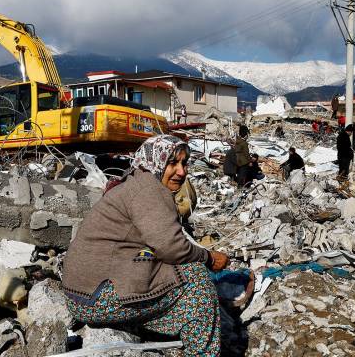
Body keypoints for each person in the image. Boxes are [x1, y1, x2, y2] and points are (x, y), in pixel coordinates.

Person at [61, 135, 229, 357]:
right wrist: (208, 258)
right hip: (95, 298)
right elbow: (171, 248)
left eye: (184, 163)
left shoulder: (137, 182)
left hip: (81, 294)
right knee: (196, 279)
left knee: (164, 271)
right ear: (156, 162)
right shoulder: (148, 190)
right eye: (173, 163)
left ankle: (155, 328)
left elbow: (158, 242)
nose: (182, 171)